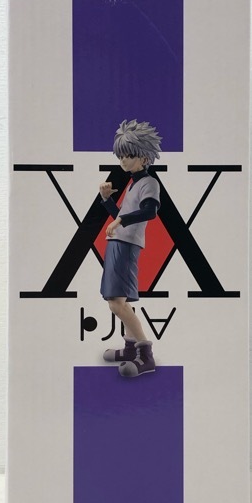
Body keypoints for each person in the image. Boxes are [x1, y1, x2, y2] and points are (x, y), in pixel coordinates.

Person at [99, 119, 162, 377]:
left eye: (129, 155)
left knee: (116, 303)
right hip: (118, 242)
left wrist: (121, 220)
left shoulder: (149, 183)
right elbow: (121, 217)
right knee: (119, 300)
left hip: (126, 245)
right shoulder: (134, 184)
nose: (123, 160)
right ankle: (130, 348)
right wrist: (107, 200)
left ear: (144, 158)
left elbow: (150, 211)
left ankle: (145, 355)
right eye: (121, 155)